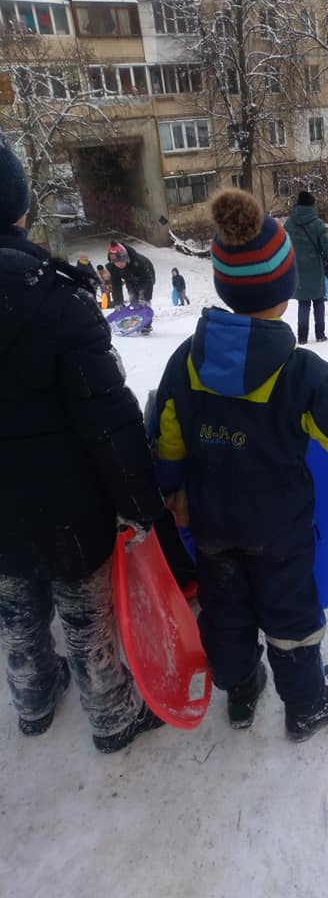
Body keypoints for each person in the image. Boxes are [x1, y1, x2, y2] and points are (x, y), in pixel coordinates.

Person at [150, 189, 328, 740]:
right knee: (290, 615)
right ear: (286, 291)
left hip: (211, 525)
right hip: (279, 531)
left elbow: (168, 435)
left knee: (224, 610)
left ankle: (239, 690)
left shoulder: (186, 361)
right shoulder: (302, 374)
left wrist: (171, 487)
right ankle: (305, 704)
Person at [0, 131, 166, 753]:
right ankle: (112, 715)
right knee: (85, 614)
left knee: (16, 608)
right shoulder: (57, 298)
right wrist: (142, 503)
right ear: (21, 209)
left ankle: (33, 699)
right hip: (68, 505)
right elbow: (108, 420)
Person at [284, 191, 328, 345]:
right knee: (318, 302)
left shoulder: (289, 224)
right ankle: (320, 334)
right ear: (311, 205)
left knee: (303, 304)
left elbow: (282, 245)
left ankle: (302, 336)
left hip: (297, 269)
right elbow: (327, 249)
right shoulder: (317, 224)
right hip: (315, 268)